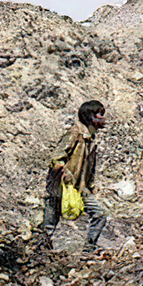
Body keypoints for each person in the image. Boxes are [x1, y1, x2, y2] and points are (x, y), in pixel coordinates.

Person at [39, 100, 108, 252]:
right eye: (100, 114)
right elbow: (56, 158)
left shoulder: (91, 140)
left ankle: (89, 249)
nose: (104, 118)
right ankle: (39, 253)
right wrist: (66, 175)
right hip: (60, 189)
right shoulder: (75, 134)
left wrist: (89, 187)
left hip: (79, 189)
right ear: (90, 116)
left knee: (100, 213)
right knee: (48, 226)